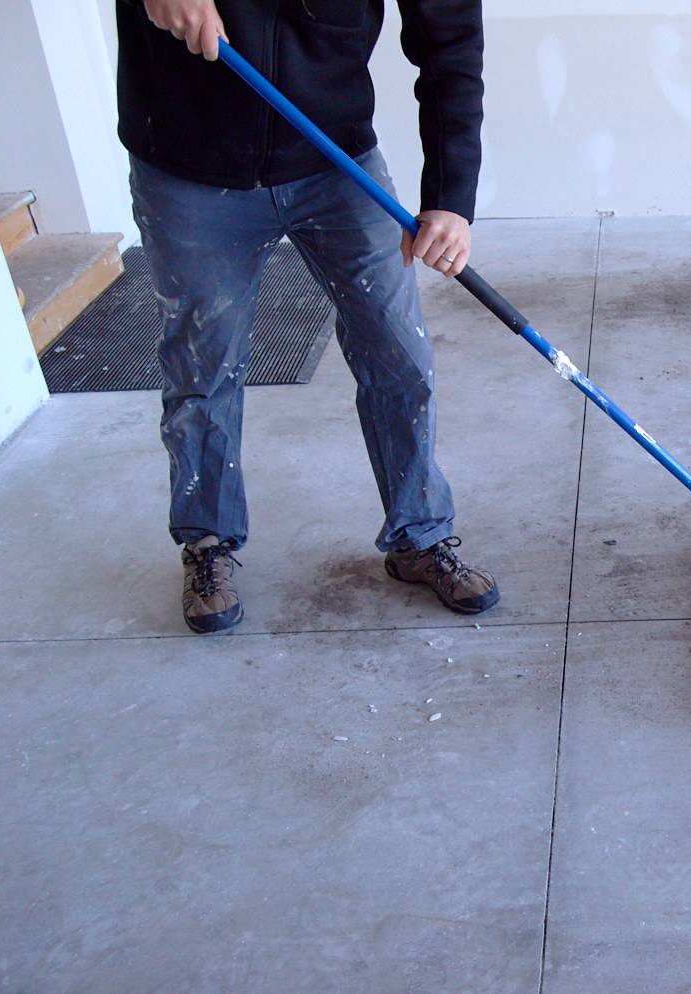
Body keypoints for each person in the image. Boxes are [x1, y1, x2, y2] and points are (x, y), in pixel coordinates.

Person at [116, 0, 498, 633]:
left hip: (334, 160)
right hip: (188, 162)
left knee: (398, 351)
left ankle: (419, 534)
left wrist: (451, 198)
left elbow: (451, 42)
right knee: (203, 364)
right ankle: (207, 542)